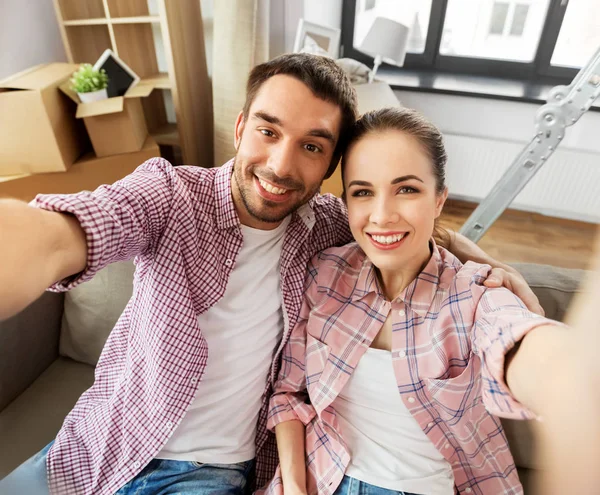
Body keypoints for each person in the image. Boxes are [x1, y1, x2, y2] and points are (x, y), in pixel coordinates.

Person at [0, 55, 539, 495]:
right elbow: (66, 230)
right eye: (268, 131)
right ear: (240, 128)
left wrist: (486, 264)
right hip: (98, 443)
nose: (282, 166)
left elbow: (408, 224)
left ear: (329, 168)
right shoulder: (168, 195)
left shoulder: (326, 226)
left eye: (311, 146)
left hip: (206, 476)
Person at [265, 107, 567, 495]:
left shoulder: (474, 294)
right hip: (320, 478)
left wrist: (569, 376)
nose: (382, 215)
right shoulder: (325, 273)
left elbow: (516, 339)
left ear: (439, 199)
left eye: (406, 189)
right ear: (345, 203)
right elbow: (289, 394)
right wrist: (293, 487)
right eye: (362, 192)